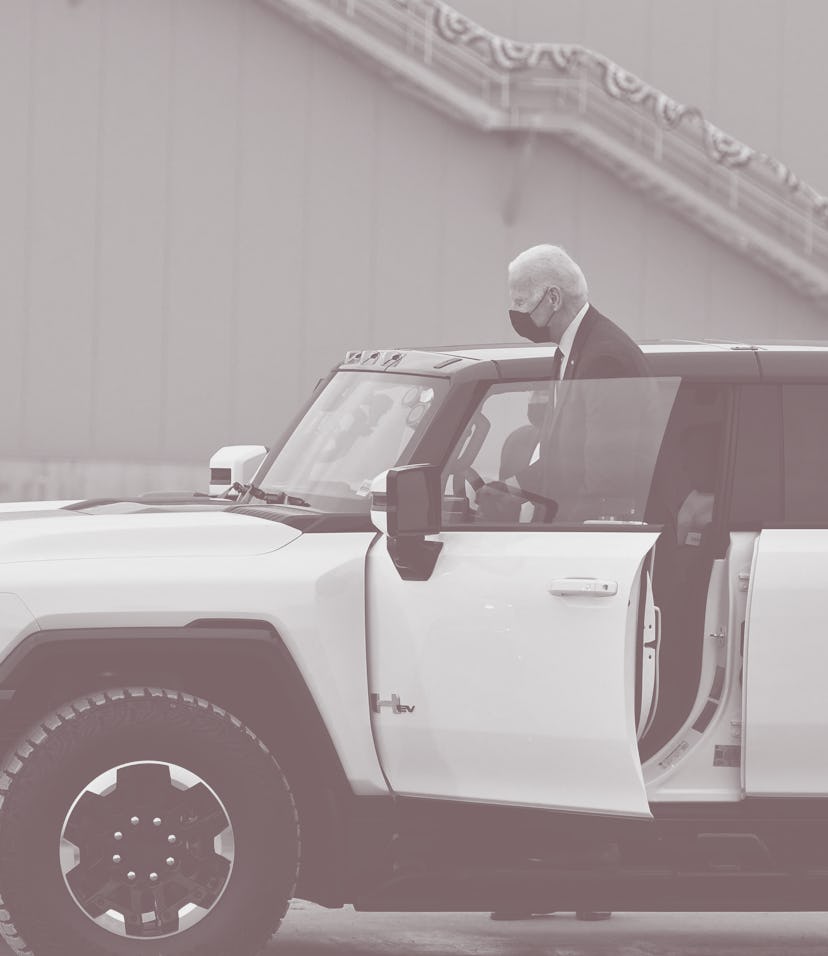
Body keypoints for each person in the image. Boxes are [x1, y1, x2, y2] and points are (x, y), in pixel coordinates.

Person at [489, 245, 649, 922]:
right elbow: (564, 459)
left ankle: (585, 873)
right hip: (570, 548)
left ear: (552, 298)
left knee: (574, 712)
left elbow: (605, 476)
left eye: (522, 303)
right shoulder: (578, 351)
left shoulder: (606, 357)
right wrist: (517, 486)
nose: (517, 316)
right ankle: (571, 872)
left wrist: (531, 506)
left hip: (586, 559)